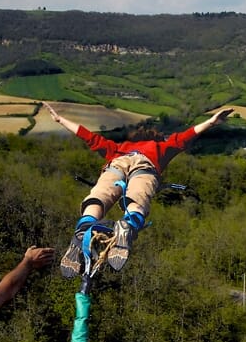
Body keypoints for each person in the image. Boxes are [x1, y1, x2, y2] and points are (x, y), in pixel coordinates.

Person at [43, 102, 233, 278]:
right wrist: (211, 122)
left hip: (116, 163)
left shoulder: (117, 147)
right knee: (137, 198)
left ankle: (84, 227)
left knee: (99, 195)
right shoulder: (160, 146)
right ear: (155, 137)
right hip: (146, 165)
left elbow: (88, 136)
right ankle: (128, 224)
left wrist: (60, 120)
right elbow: (184, 138)